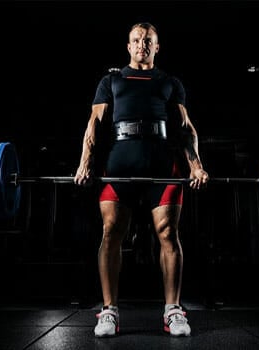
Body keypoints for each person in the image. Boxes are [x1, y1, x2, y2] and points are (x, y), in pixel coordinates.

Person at [74, 22, 209, 337]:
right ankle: (109, 311)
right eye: (136, 40)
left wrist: (196, 166)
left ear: (157, 46)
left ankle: (172, 310)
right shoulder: (112, 81)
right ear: (128, 45)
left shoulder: (169, 82)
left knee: (168, 233)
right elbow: (94, 123)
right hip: (119, 165)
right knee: (111, 232)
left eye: (148, 40)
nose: (142, 45)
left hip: (162, 165)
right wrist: (85, 162)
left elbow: (185, 127)